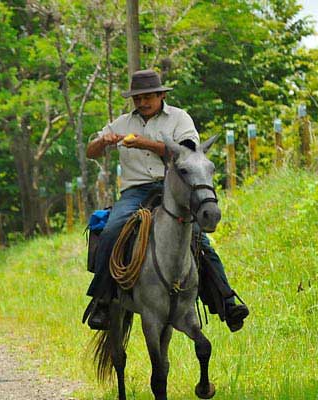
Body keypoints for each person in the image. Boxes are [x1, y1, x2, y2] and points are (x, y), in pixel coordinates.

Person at [83, 69, 249, 332]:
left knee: (199, 239)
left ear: (161, 95)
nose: (142, 102)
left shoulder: (179, 119)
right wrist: (102, 142)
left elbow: (187, 153)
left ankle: (227, 300)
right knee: (112, 230)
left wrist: (145, 144)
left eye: (148, 97)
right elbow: (91, 152)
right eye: (137, 98)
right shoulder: (123, 122)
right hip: (135, 191)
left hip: (173, 187)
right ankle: (102, 299)